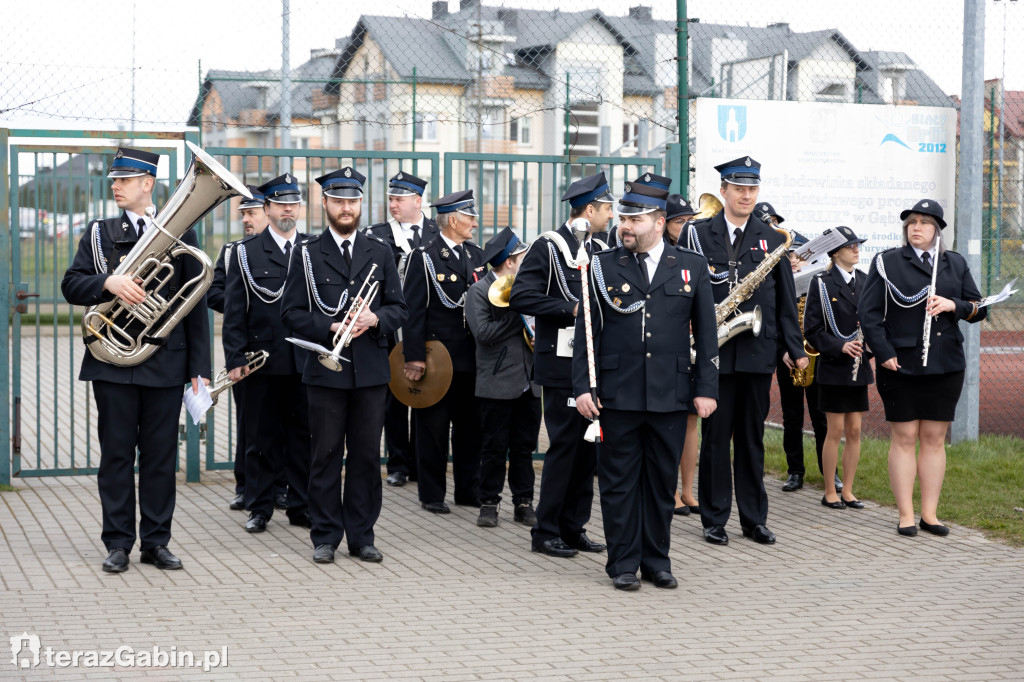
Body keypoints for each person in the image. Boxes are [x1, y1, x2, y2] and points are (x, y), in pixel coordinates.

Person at [61, 146, 210, 573]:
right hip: (112, 363)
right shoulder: (99, 232)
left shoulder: (183, 232)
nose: (115, 186)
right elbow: (71, 285)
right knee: (117, 457)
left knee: (161, 458)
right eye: (114, 179)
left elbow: (195, 305)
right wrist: (109, 282)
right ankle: (118, 542)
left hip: (165, 362)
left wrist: (198, 369)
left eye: (124, 179)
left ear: (148, 183)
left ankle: (157, 542)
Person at [574, 173, 718, 590]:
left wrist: (706, 388)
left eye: (635, 220)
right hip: (617, 394)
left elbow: (707, 334)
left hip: (670, 393)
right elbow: (587, 331)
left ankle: (657, 560)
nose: (625, 226)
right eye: (622, 218)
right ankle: (622, 562)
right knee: (618, 484)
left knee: (660, 483)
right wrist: (584, 386)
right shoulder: (601, 266)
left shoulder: (690, 266)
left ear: (658, 221)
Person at [281, 167, 408, 564]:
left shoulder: (379, 251)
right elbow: (291, 313)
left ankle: (362, 536)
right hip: (324, 369)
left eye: (352, 201)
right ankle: (325, 536)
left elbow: (400, 308)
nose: (346, 208)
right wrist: (331, 325)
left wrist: (377, 320)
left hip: (369, 370)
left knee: (368, 456)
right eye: (339, 201)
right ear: (325, 204)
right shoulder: (307, 253)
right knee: (325, 455)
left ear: (360, 204)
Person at [686, 157, 806, 546]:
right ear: (723, 191)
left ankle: (755, 519)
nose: (746, 195)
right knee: (716, 438)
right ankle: (714, 518)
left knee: (752, 439)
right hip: (714, 351)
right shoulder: (697, 235)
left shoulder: (773, 239)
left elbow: (786, 299)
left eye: (752, 189)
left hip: (756, 351)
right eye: (739, 189)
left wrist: (794, 347)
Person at [859, 200, 986, 536]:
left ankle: (930, 515)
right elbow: (869, 313)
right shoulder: (887, 262)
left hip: (945, 363)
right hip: (899, 362)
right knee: (904, 437)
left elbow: (979, 307)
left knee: (934, 438)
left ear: (937, 230)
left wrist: (953, 305)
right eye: (911, 222)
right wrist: (883, 352)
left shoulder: (953, 264)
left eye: (924, 223)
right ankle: (905, 515)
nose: (916, 227)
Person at [509, 171, 614, 558]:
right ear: (589, 209)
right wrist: (569, 308)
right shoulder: (548, 246)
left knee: (589, 449)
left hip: (591, 364)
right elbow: (522, 296)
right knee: (565, 446)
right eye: (607, 209)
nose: (611, 216)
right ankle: (545, 530)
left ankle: (574, 527)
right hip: (559, 365)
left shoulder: (601, 248)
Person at [222, 173, 312, 533]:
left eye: (293, 203)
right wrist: (235, 358)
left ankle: (301, 506)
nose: (287, 209)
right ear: (268, 208)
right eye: (280, 203)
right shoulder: (246, 253)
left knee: (304, 437)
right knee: (261, 439)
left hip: (305, 360)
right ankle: (259, 508)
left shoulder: (313, 249)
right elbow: (234, 312)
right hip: (262, 361)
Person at [401, 189, 485, 513]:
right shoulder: (424, 257)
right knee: (433, 429)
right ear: (453, 219)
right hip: (436, 359)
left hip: (471, 358)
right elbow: (412, 311)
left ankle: (468, 490)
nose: (474, 223)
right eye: (470, 217)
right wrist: (414, 358)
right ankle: (432, 494)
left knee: (470, 429)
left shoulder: (477, 256)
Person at [367, 171, 440, 488]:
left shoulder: (438, 233)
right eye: (391, 199)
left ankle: (426, 462)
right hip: (390, 328)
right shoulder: (376, 234)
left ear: (417, 201)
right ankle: (398, 462)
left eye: (399, 199)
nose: (392, 204)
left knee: (429, 398)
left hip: (429, 328)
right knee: (393, 399)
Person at [465, 227, 540, 528]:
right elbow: (483, 334)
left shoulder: (527, 287)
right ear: (509, 261)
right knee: (494, 447)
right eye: (521, 256)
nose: (525, 260)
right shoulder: (479, 291)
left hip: (529, 381)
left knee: (524, 447)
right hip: (497, 383)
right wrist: (516, 314)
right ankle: (489, 503)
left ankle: (523, 503)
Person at [208, 185, 268, 511]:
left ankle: (284, 487)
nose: (245, 219)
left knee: (289, 423)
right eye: (243, 213)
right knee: (249, 424)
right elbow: (213, 292)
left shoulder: (298, 248)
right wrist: (241, 305)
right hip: (248, 348)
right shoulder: (232, 252)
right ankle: (245, 486)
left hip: (287, 350)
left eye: (251, 212)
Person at [804, 227, 873, 510]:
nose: (856, 249)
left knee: (855, 430)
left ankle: (849, 490)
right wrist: (840, 347)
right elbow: (813, 329)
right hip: (834, 365)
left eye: (857, 244)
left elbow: (875, 322)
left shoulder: (867, 281)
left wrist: (867, 348)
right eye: (850, 246)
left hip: (858, 365)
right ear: (835, 252)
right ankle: (830, 490)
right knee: (834, 430)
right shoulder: (821, 282)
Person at [765, 210, 830, 494]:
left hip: (815, 357)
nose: (793, 262)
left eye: (798, 257)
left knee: (821, 416)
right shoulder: (779, 286)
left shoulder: (818, 284)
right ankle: (795, 471)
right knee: (792, 417)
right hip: (788, 359)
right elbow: (775, 323)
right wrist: (784, 352)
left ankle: (830, 473)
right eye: (789, 257)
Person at [662, 194, 703, 516]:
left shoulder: (694, 255)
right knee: (671, 424)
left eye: (690, 221)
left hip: (693, 347)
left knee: (692, 422)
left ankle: (688, 490)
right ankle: (670, 490)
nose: (686, 227)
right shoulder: (660, 256)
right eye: (680, 221)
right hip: (669, 348)